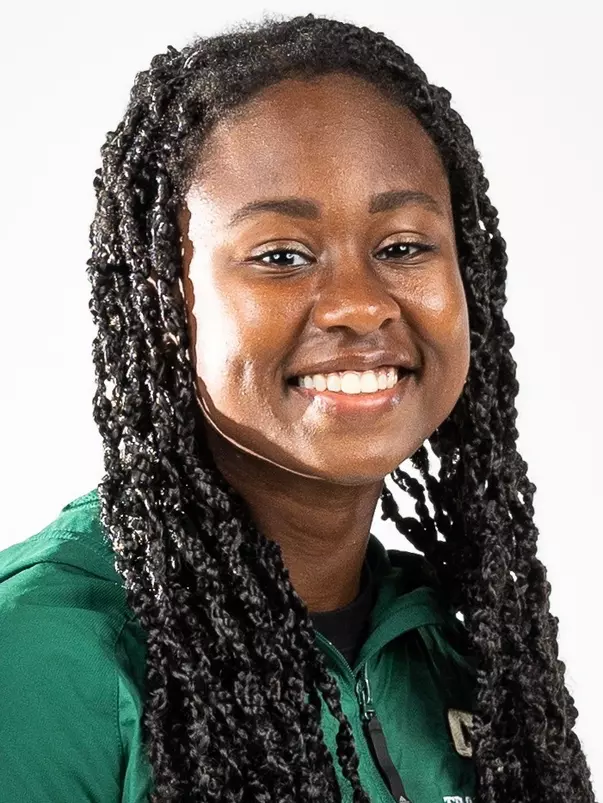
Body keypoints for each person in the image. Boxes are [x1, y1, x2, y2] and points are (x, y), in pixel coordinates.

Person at [0, 11, 595, 803]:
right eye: (280, 255)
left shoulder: (455, 650)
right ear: (161, 301)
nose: (357, 304)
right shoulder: (45, 652)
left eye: (403, 246)